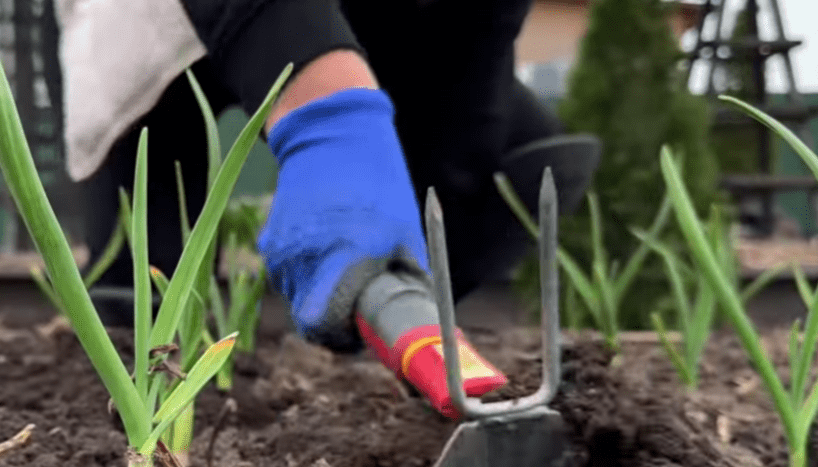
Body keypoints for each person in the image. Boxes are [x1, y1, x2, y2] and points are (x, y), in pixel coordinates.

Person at [54, 0, 601, 411]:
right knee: (144, 283)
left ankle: (398, 348)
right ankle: (134, 422)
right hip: (153, 27)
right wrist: (327, 116)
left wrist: (423, 255)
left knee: (484, 159)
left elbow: (474, 40)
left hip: (374, 22)